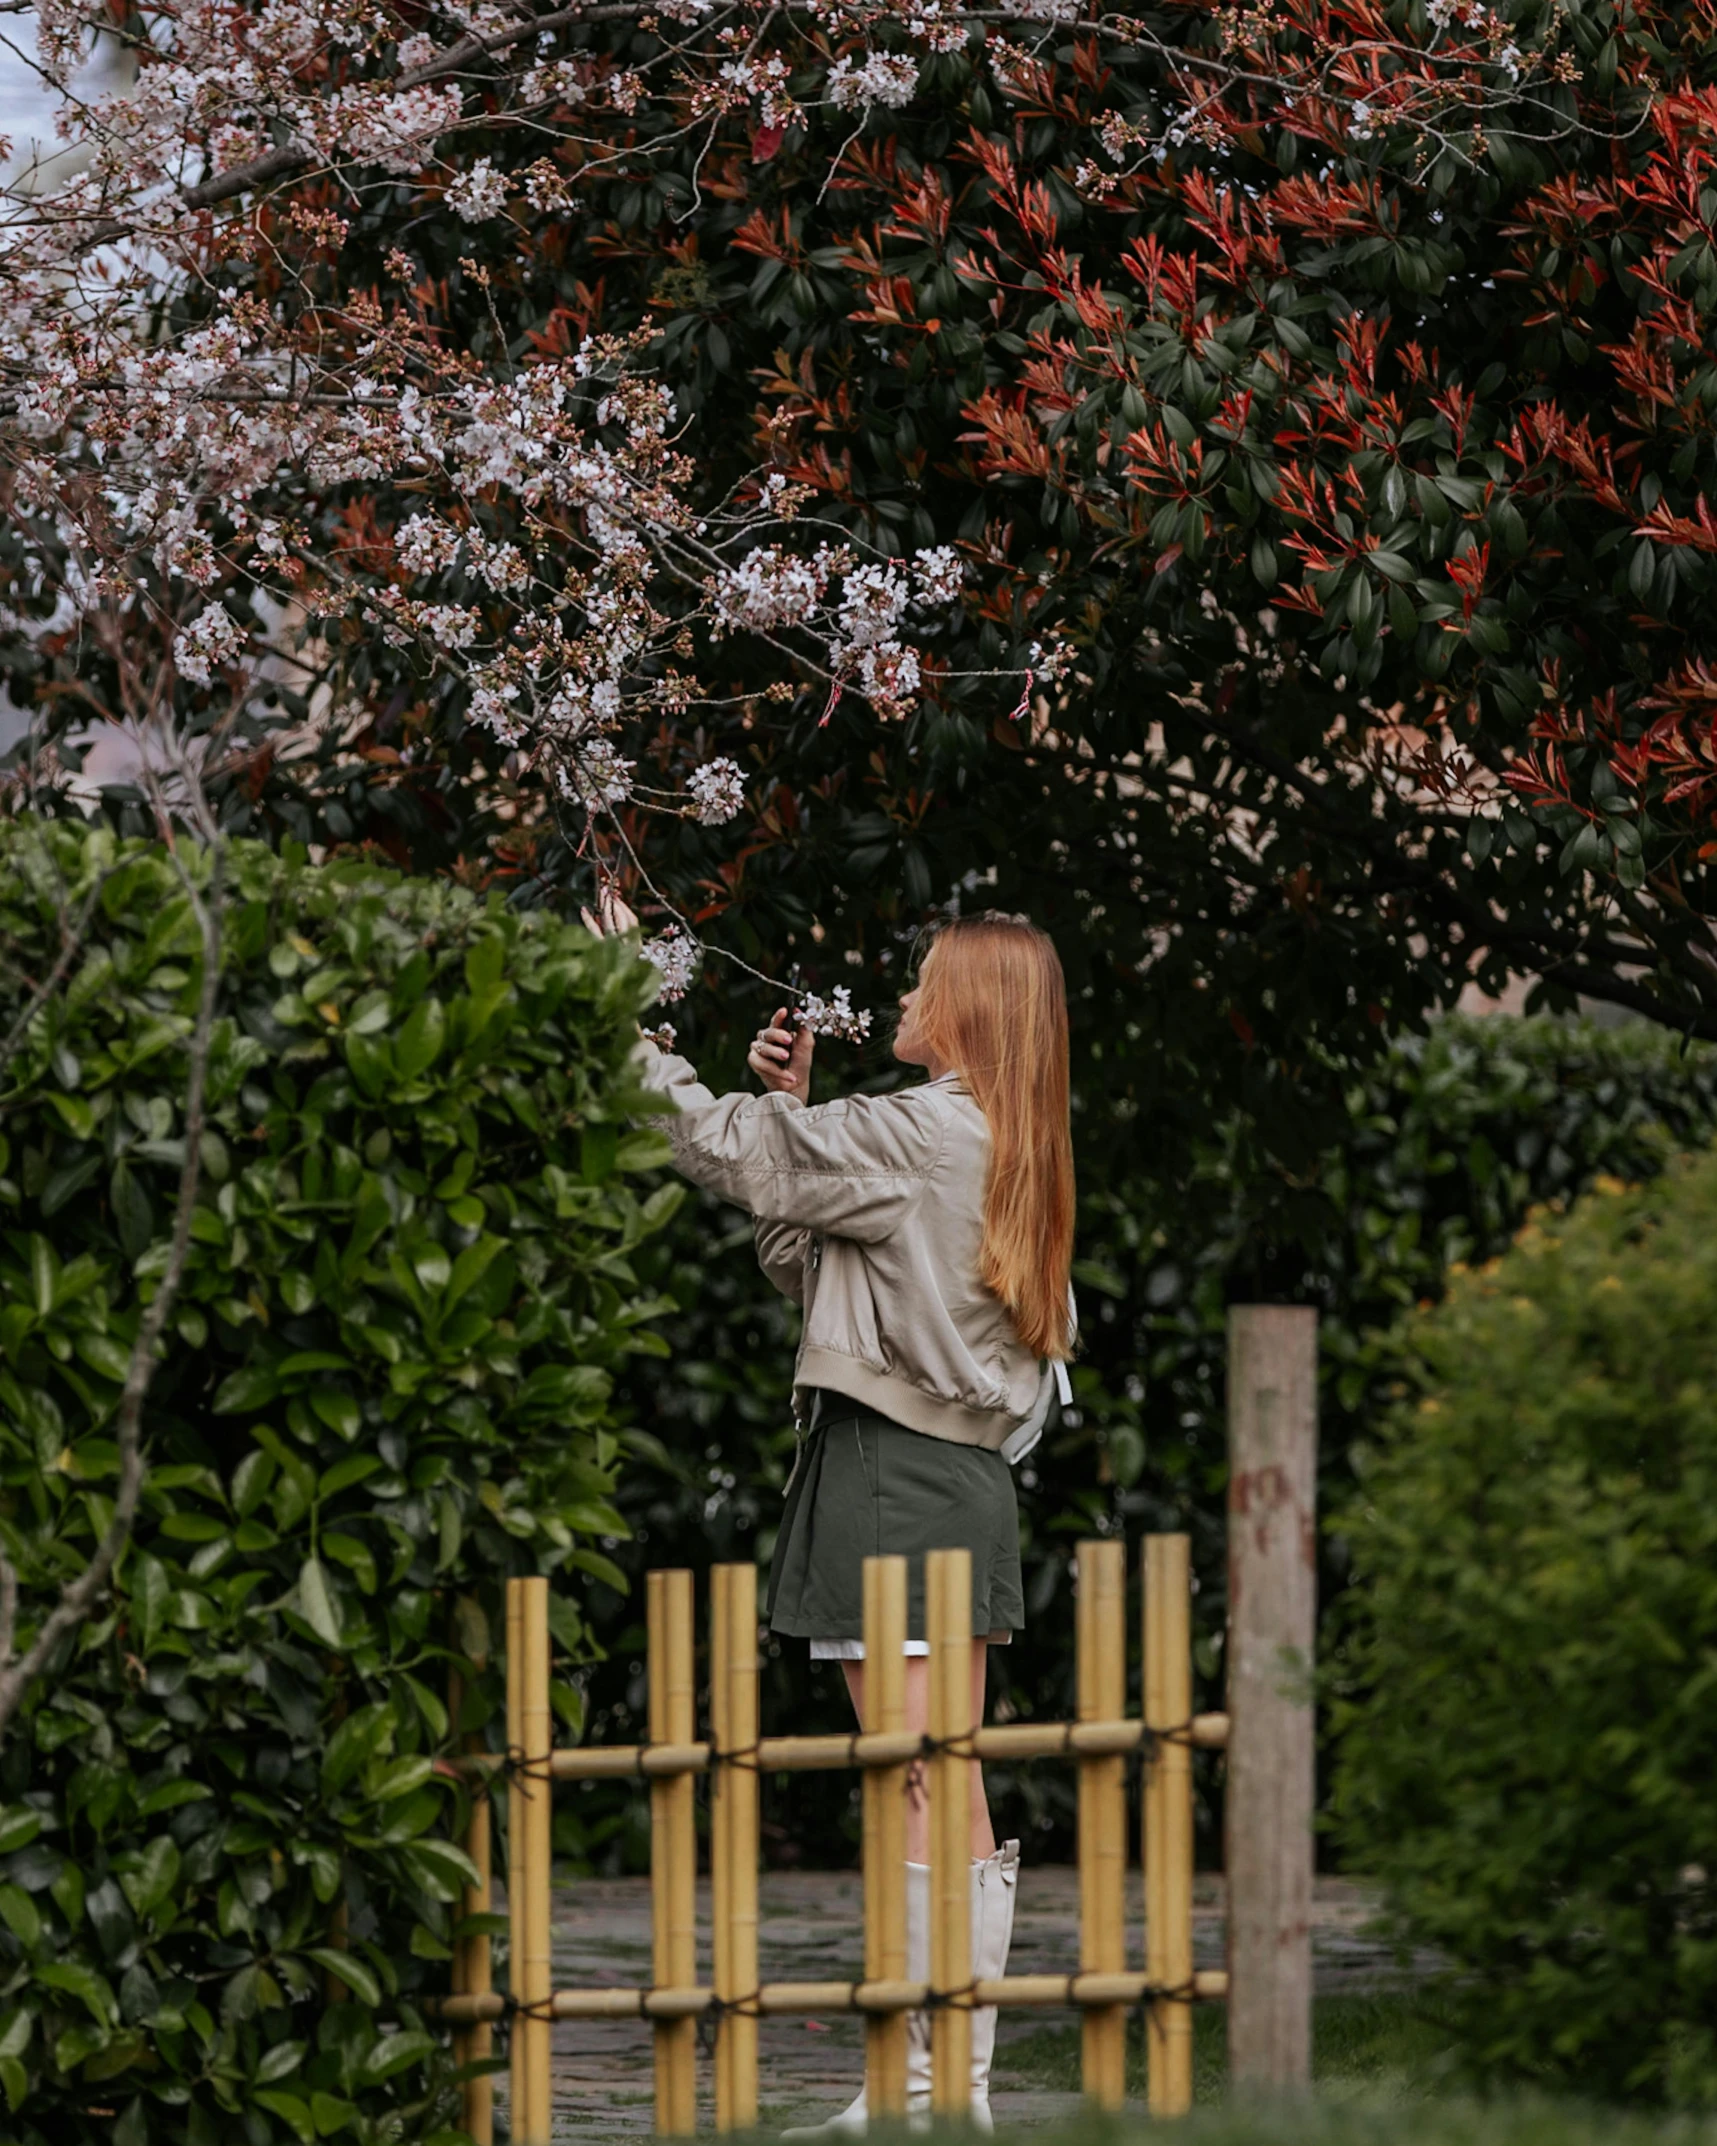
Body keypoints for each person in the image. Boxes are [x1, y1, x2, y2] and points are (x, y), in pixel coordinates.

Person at [585, 896, 1076, 2133]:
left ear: (966, 1005)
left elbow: (725, 1151)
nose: (902, 996)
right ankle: (937, 2092)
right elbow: (807, 1249)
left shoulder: (920, 1131)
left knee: (910, 1779)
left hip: (889, 1469)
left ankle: (919, 2094)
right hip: (950, 1475)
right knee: (940, 1779)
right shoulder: (990, 1134)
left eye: (921, 980)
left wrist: (630, 1019)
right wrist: (799, 1119)